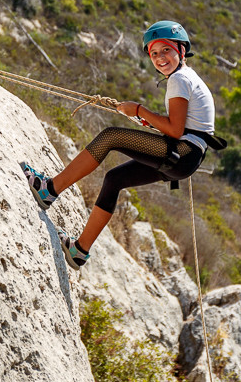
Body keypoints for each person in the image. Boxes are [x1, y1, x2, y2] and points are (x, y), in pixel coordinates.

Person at [20, 20, 224, 270]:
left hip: (183, 152)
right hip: (185, 158)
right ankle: (79, 251)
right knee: (114, 179)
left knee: (111, 136)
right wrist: (142, 117)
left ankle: (48, 189)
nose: (160, 58)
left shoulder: (179, 80)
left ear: (181, 50)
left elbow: (175, 129)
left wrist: (138, 109)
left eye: (166, 50)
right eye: (154, 53)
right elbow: (179, 127)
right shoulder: (185, 77)